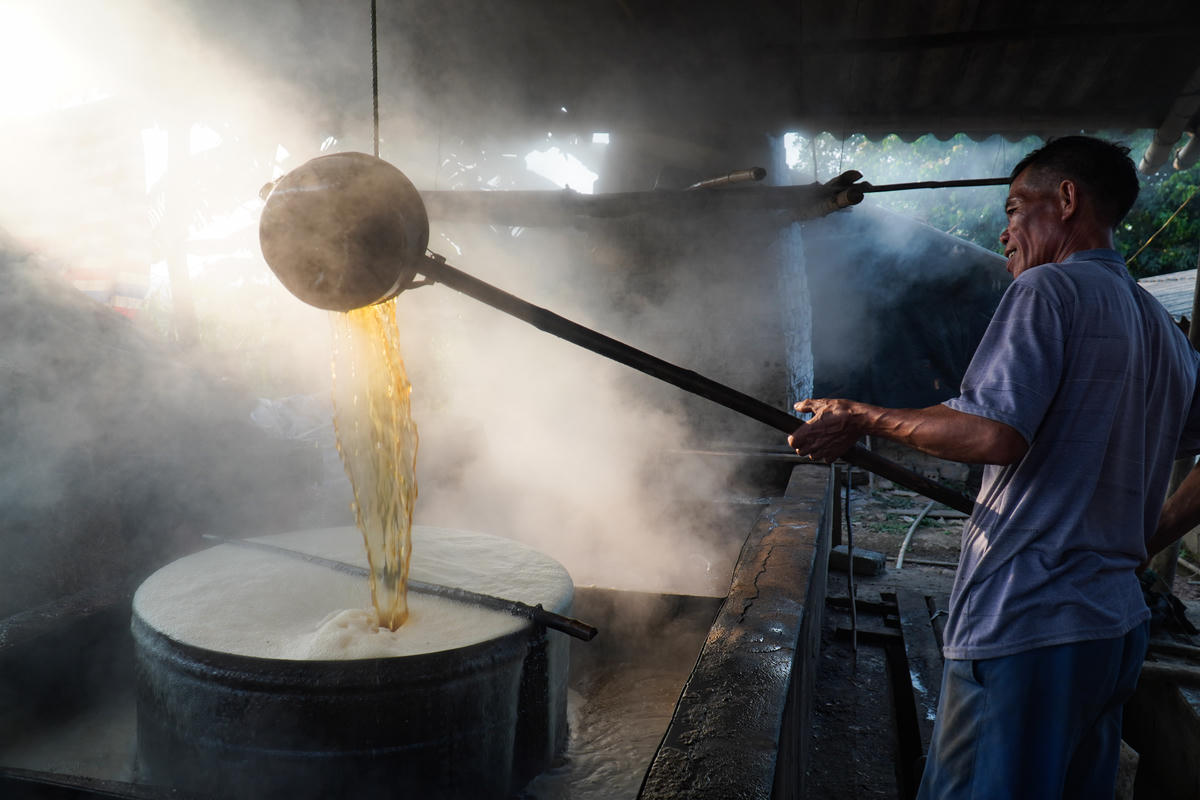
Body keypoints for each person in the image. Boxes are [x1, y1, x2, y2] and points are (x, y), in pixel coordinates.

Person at [787, 135, 1200, 799]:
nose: (1006, 233)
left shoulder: (1047, 291)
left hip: (1028, 624)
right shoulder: (1158, 326)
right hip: (1113, 629)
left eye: (1014, 209)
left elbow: (993, 433)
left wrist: (861, 416)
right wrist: (1145, 536)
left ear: (1066, 200)